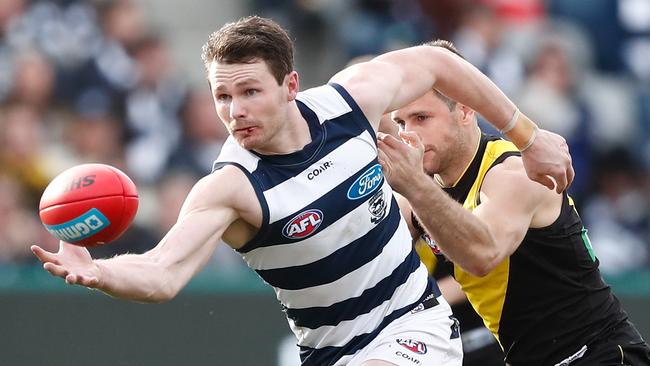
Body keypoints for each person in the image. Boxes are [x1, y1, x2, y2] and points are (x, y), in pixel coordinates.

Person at [31, 17, 573, 366]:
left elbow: (438, 63)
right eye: (222, 95)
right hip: (327, 353)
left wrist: (527, 135)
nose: (234, 110)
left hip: (415, 327)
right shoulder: (232, 188)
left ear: (291, 85)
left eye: (249, 91)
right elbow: (162, 273)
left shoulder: (348, 103)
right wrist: (100, 272)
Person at [377, 39, 650, 366]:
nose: (410, 135)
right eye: (402, 122)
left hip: (596, 354)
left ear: (465, 109)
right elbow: (362, 251)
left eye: (422, 118)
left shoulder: (513, 173)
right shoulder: (424, 186)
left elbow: (482, 254)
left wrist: (413, 185)